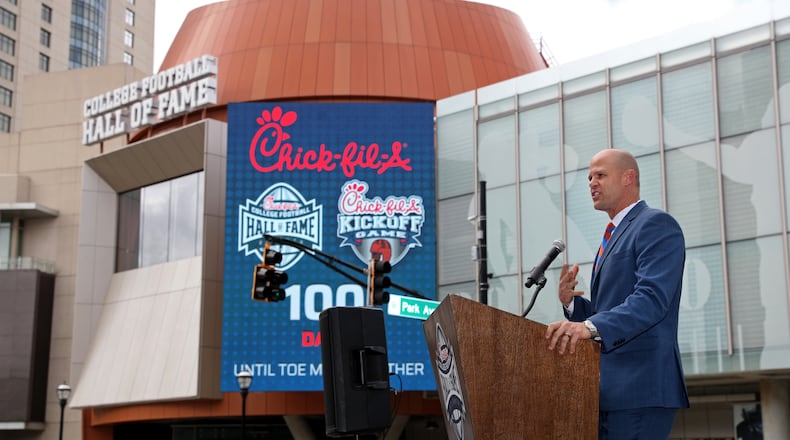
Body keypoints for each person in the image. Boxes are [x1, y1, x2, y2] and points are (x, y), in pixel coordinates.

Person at [545, 148, 689, 439]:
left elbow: (651, 299)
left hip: (641, 388)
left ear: (628, 178)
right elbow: (607, 312)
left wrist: (588, 327)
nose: (592, 183)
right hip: (609, 391)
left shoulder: (655, 224)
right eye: (589, 178)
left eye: (600, 175)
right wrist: (573, 306)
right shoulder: (613, 233)